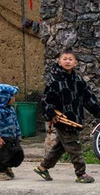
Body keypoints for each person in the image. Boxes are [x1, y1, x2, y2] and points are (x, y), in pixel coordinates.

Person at [34, 50, 100, 184]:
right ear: (59, 61)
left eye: (70, 59)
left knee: (61, 146)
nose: (67, 61)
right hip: (62, 120)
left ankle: (43, 167)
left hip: (75, 118)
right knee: (74, 146)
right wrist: (50, 114)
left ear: (75, 63)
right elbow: (46, 100)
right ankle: (81, 173)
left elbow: (88, 98)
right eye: (64, 58)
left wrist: (98, 112)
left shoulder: (78, 80)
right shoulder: (54, 80)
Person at [0, 83, 24, 181]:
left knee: (17, 153)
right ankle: (0, 171)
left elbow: (16, 122)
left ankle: (7, 167)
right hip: (3, 138)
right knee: (4, 155)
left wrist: (18, 134)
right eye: (12, 97)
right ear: (4, 98)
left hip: (12, 137)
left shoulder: (11, 109)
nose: (14, 99)